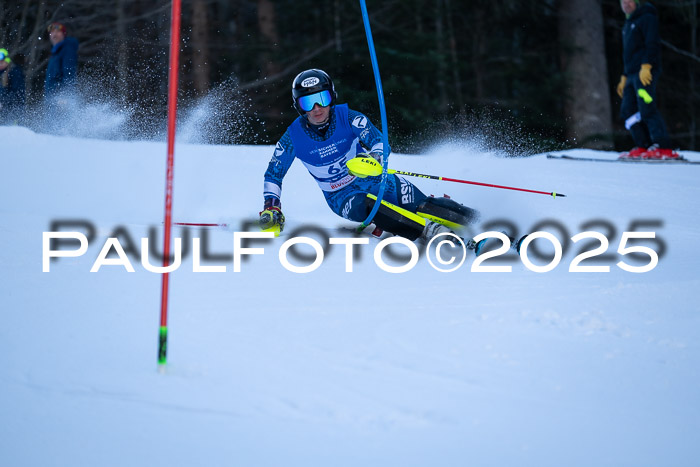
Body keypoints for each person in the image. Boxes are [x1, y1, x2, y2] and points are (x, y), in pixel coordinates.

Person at [259, 69, 479, 243]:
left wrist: (375, 158)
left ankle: (480, 221)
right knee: (370, 205)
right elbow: (273, 174)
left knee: (423, 205)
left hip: (375, 179)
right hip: (342, 196)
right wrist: (272, 205)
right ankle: (429, 232)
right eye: (308, 102)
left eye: (322, 98)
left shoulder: (349, 117)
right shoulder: (293, 138)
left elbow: (379, 142)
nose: (317, 108)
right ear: (299, 106)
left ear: (331, 97)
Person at [616, 0, 677, 159]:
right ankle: (643, 145)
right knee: (628, 110)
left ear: (636, 2)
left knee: (646, 107)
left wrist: (647, 65)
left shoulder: (647, 18)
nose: (626, 4)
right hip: (631, 74)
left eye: (629, 1)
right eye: (623, 1)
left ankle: (663, 147)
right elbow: (628, 54)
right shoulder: (628, 24)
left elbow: (652, 43)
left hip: (645, 72)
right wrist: (624, 75)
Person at [44, 22, 79, 100]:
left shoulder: (67, 49)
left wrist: (65, 95)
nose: (54, 35)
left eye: (57, 32)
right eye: (52, 32)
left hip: (60, 99)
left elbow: (69, 73)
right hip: (52, 98)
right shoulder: (55, 52)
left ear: (63, 34)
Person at [0, 48, 26, 123]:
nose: (0, 63)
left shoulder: (14, 72)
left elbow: (18, 93)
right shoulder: (2, 74)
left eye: (2, 61)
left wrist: (3, 102)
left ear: (7, 60)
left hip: (13, 113)